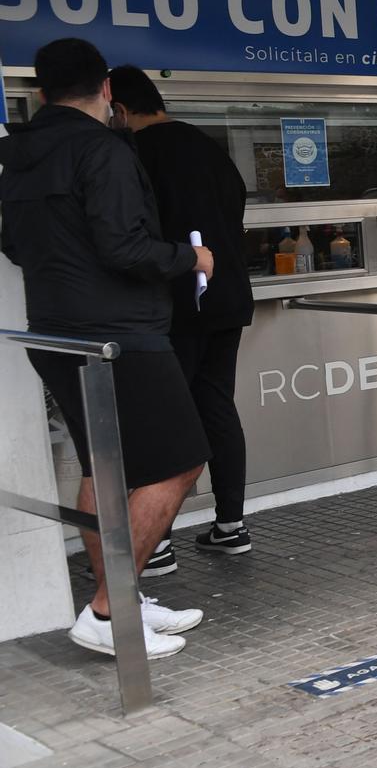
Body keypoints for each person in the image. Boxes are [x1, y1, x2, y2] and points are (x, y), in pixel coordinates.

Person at [0, 39, 211, 659]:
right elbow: (126, 249)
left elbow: (14, 246)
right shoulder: (103, 150)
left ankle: (122, 602)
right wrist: (190, 257)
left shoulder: (15, 155)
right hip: (122, 338)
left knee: (104, 467)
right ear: (108, 89)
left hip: (55, 332)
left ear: (41, 92)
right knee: (180, 460)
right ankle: (108, 608)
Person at [109, 66, 255, 572]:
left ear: (120, 111)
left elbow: (130, 237)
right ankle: (231, 525)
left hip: (172, 303)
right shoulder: (208, 145)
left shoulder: (132, 154)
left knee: (164, 419)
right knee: (216, 405)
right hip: (228, 296)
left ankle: (159, 542)